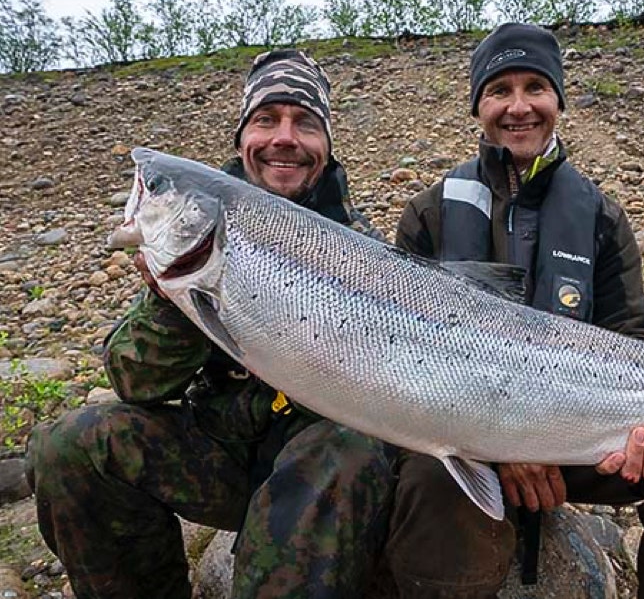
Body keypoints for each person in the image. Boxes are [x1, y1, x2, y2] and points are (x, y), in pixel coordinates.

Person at [387, 23, 644, 599]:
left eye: (535, 86)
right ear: (477, 106)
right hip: (462, 437)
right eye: (499, 90)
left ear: (558, 100)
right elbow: (402, 360)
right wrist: (509, 446)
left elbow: (632, 342)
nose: (518, 107)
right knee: (432, 479)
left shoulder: (600, 218)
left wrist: (640, 436)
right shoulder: (428, 216)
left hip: (588, 437)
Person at [25, 49, 395, 599]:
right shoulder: (196, 220)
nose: (284, 138)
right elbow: (136, 383)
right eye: (265, 120)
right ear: (243, 137)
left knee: (347, 448)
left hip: (319, 462)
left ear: (327, 144)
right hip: (220, 450)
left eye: (305, 123)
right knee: (71, 445)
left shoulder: (364, 251)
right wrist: (173, 297)